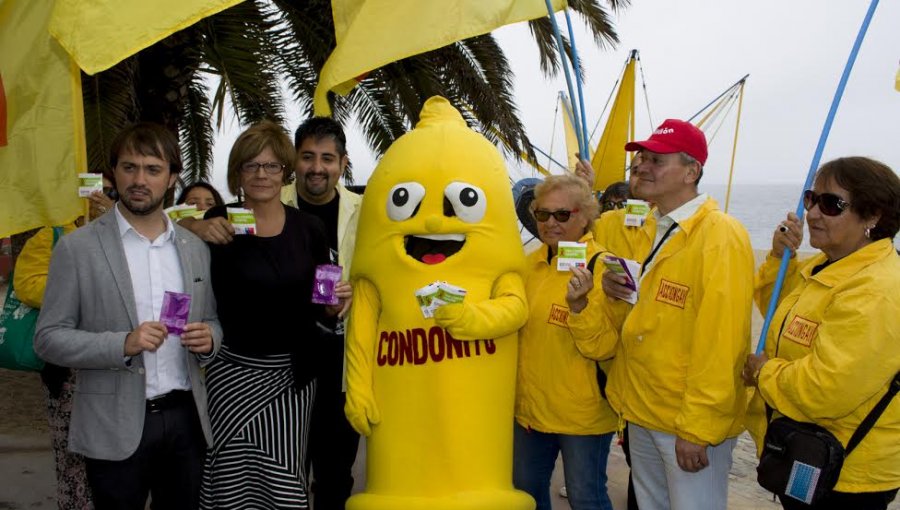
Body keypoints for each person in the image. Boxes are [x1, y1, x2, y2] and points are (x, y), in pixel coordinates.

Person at [567, 118, 754, 510]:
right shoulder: (654, 228)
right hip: (641, 410)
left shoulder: (719, 234)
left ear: (692, 172)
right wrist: (614, 294)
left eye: (656, 160)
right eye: (641, 160)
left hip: (683, 421)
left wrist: (698, 427)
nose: (642, 167)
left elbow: (722, 341)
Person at [34, 122, 222, 510]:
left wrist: (210, 339)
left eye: (152, 169)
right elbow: (49, 337)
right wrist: (121, 343)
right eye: (129, 167)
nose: (139, 179)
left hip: (186, 420)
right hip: (113, 424)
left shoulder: (193, 248)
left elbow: (214, 321)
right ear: (113, 173)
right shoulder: (77, 249)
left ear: (172, 177)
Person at [200, 121, 349, 510]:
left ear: (284, 170)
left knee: (284, 481)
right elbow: (176, 244)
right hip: (231, 375)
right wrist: (194, 225)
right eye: (251, 166)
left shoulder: (309, 228)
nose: (261, 175)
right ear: (237, 174)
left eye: (270, 166)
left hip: (292, 379)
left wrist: (333, 306)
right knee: (231, 479)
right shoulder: (220, 220)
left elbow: (324, 299)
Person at [744, 156, 900, 510]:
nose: (813, 213)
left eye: (831, 204)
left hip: (846, 467)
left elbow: (825, 389)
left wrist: (763, 371)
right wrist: (779, 258)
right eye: (811, 198)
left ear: (873, 216)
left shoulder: (874, 289)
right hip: (808, 448)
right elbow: (779, 316)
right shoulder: (827, 266)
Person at [513, 173, 617, 510]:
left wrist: (580, 308)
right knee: (526, 494)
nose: (550, 223)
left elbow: (605, 348)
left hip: (582, 417)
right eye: (542, 214)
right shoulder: (529, 265)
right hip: (530, 413)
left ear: (585, 215)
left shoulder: (603, 268)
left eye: (562, 215)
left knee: (586, 497)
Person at [14, 180, 115, 510]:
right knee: (72, 456)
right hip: (68, 367)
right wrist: (77, 297)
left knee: (111, 460)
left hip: (113, 363)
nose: (99, 197)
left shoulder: (123, 235)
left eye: (109, 192)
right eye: (92, 190)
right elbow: (27, 283)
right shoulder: (54, 234)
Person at [282, 117, 361, 510]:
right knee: (286, 469)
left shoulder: (364, 212)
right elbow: (209, 222)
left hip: (343, 360)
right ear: (294, 160)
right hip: (287, 360)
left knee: (334, 473)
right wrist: (197, 223)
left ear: (343, 164)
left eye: (327, 158)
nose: (317, 168)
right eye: (308, 157)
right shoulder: (267, 205)